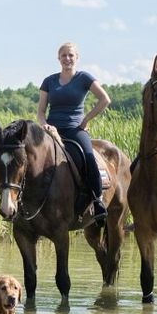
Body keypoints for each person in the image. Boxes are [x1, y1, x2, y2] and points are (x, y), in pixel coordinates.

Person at [36, 42, 110, 222]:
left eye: (70, 55)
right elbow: (40, 111)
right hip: (52, 130)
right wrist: (45, 125)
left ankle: (97, 200)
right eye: (63, 55)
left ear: (77, 58)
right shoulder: (49, 81)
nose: (67, 59)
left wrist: (86, 120)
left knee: (88, 157)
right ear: (58, 58)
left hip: (75, 129)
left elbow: (104, 99)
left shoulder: (84, 77)